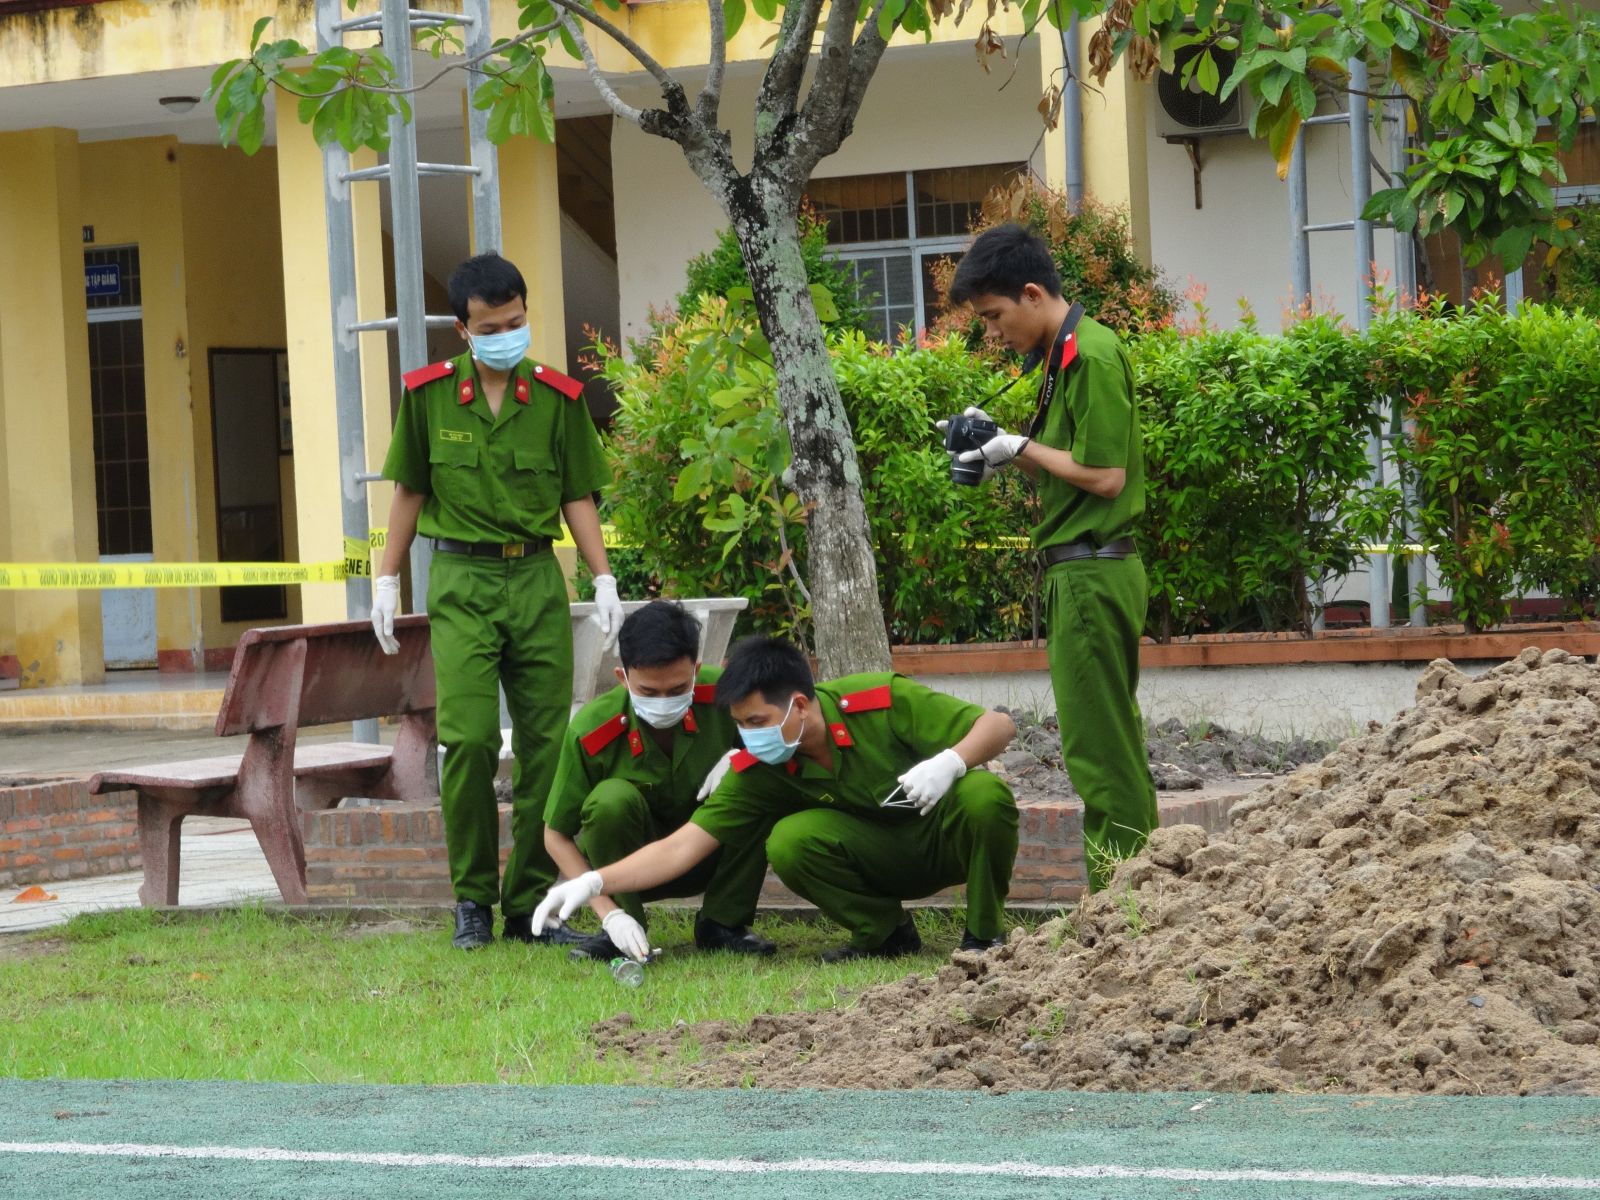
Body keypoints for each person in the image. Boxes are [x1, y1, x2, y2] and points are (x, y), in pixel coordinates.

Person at [370, 252, 624, 950]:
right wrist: (386, 579)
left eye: (517, 321)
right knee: (471, 741)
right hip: (462, 581)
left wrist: (603, 578)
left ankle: (527, 907)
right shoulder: (426, 397)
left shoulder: (556, 397)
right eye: (493, 326)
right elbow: (409, 493)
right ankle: (473, 901)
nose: (508, 334)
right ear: (463, 328)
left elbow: (578, 494)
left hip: (538, 578)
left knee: (548, 747)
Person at [532, 636, 1019, 961]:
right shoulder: (758, 771)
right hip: (875, 857)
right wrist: (596, 883)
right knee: (789, 840)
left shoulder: (879, 701)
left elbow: (999, 725)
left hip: (941, 839)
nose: (746, 738)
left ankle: (983, 938)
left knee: (981, 792)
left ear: (799, 705)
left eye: (756, 723)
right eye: (739, 725)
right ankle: (886, 933)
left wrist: (951, 761)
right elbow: (681, 847)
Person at [944, 222, 1158, 892]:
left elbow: (1106, 477)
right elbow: (1072, 470)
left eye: (995, 316)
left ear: (1032, 293)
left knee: (1099, 755)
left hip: (1092, 574)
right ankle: (1144, 898)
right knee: (1108, 745)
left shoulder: (1089, 355)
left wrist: (1015, 446)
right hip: (1085, 569)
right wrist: (997, 449)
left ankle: (1123, 909)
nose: (994, 332)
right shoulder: (1065, 356)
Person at [544, 600, 776, 962]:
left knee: (758, 779)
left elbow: (793, 733)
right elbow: (555, 835)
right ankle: (624, 930)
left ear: (697, 670)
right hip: (627, 872)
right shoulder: (592, 729)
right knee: (609, 801)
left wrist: (745, 757)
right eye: (649, 692)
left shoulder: (728, 696)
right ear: (623, 677)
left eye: (678, 688)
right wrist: (609, 913)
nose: (664, 701)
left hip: (711, 854)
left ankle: (723, 924)